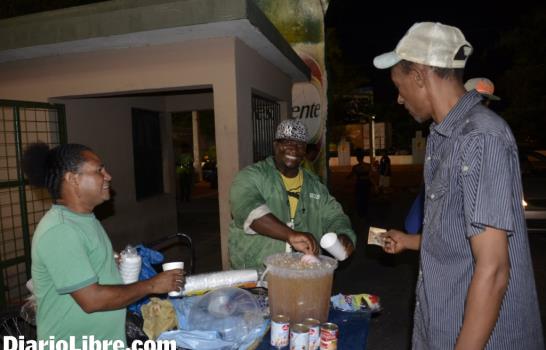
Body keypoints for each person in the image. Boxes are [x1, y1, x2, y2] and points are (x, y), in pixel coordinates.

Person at [373, 22, 543, 349]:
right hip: (442, 328)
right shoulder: (443, 136)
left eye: (399, 84)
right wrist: (409, 241)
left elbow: (493, 269)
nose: (398, 98)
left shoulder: (480, 138)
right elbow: (459, 234)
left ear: (420, 76)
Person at [22, 143, 184, 346]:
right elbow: (92, 300)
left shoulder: (85, 219)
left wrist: (111, 264)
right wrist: (152, 284)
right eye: (99, 170)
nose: (108, 176)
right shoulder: (60, 230)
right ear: (73, 179)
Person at [228, 119, 356, 269]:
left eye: (300, 145)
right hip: (258, 275)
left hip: (304, 275)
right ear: (276, 145)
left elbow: (335, 216)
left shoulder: (315, 186)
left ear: (305, 150)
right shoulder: (252, 176)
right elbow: (248, 209)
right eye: (287, 143)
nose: (294, 149)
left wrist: (344, 235)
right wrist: (290, 234)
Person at [347, 148, 371, 218]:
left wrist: (347, 177)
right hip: (366, 184)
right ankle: (365, 212)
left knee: (359, 199)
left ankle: (360, 213)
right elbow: (370, 176)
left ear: (357, 158)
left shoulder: (355, 167)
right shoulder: (368, 166)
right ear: (363, 157)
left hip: (359, 184)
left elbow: (351, 175)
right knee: (366, 198)